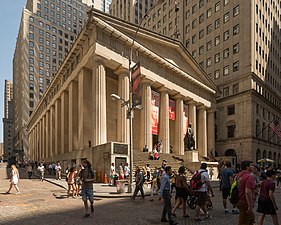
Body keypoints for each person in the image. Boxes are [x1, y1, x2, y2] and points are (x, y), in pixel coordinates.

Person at [236, 160, 256, 225]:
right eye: (251, 165)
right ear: (247, 167)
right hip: (245, 202)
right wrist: (250, 206)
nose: (253, 167)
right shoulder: (249, 176)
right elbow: (248, 192)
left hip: (238, 199)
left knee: (251, 219)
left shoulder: (239, 175)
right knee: (243, 222)